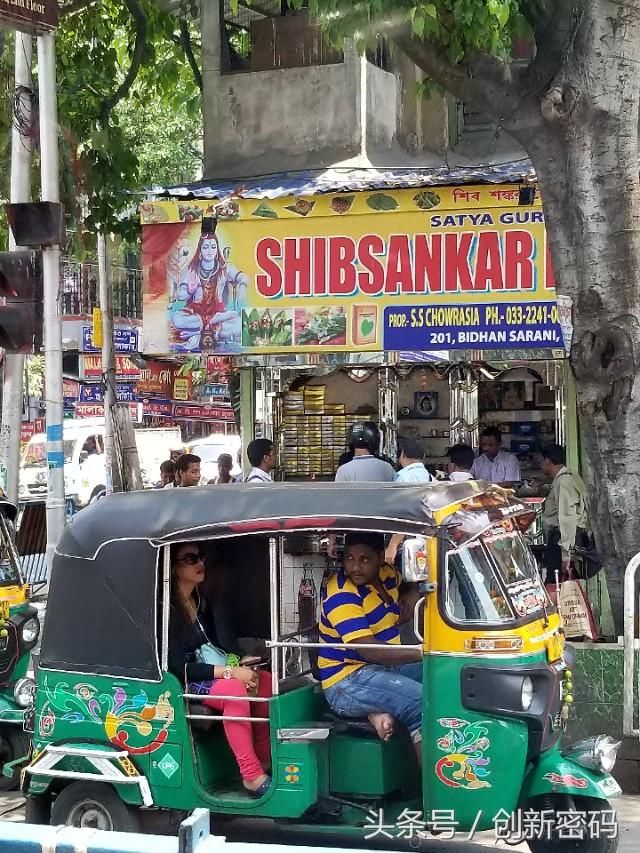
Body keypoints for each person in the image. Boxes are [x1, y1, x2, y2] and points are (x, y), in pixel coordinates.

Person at [168, 542, 272, 797]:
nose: (199, 563)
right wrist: (229, 673)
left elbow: (220, 646)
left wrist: (239, 663)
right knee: (234, 689)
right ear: (173, 568)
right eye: (190, 559)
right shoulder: (168, 610)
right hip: (183, 682)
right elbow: (178, 667)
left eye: (201, 557)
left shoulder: (201, 601)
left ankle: (264, 762)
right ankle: (251, 775)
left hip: (213, 672)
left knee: (265, 681)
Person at [318, 532, 423, 763]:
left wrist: (411, 596)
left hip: (383, 670)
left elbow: (413, 583)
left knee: (444, 676)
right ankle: (436, 794)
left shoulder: (387, 575)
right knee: (421, 703)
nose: (355, 567)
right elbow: (366, 649)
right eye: (349, 558)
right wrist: (423, 652)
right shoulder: (341, 593)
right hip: (346, 680)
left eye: (364, 559)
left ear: (380, 558)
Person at [541, 444, 589, 582]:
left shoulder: (564, 481)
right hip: (565, 540)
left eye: (542, 461)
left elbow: (567, 518)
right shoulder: (567, 478)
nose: (541, 464)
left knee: (555, 584)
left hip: (561, 541)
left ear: (548, 461)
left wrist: (566, 556)